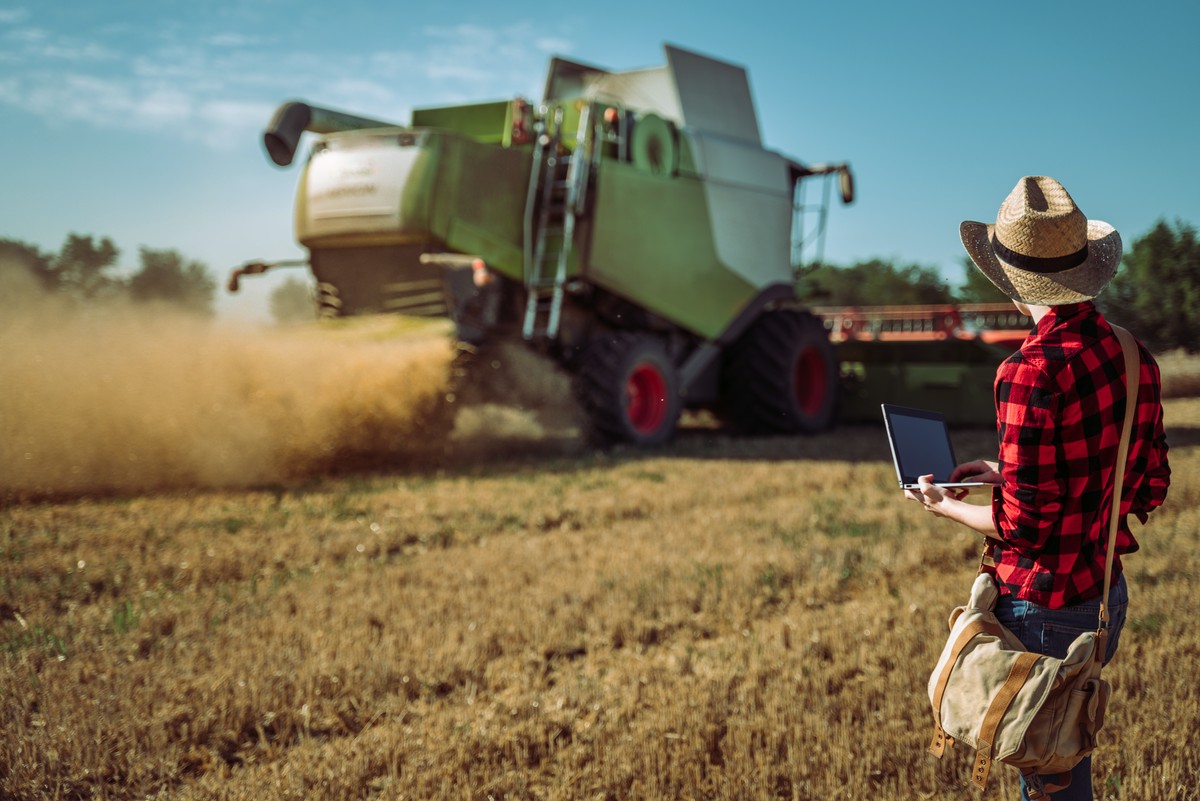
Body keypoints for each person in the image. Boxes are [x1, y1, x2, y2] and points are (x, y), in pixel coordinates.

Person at [907, 176, 1171, 800]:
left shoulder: (1028, 371)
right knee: (1060, 753)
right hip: (1105, 593)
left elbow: (1024, 526)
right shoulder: (1133, 355)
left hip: (1046, 608)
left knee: (1048, 776)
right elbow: (1147, 484)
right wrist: (1010, 477)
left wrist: (944, 507)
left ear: (1009, 274)